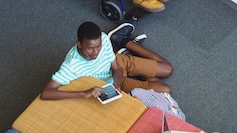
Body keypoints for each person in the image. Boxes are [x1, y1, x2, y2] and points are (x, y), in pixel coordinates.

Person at [40, 21, 173, 100]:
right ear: (79, 44)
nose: (96, 52)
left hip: (118, 66)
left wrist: (117, 82)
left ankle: (122, 39)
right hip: (110, 84)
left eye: (99, 46)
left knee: (168, 69)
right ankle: (145, 74)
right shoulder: (71, 65)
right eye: (91, 48)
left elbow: (116, 68)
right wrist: (83, 93)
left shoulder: (103, 38)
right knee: (165, 90)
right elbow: (46, 93)